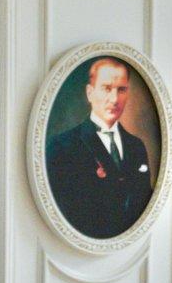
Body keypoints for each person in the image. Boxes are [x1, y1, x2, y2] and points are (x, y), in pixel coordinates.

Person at [46, 57, 152, 238]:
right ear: (90, 93)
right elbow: (61, 213)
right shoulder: (62, 146)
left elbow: (144, 204)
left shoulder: (136, 146)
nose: (115, 99)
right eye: (107, 88)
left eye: (121, 89)